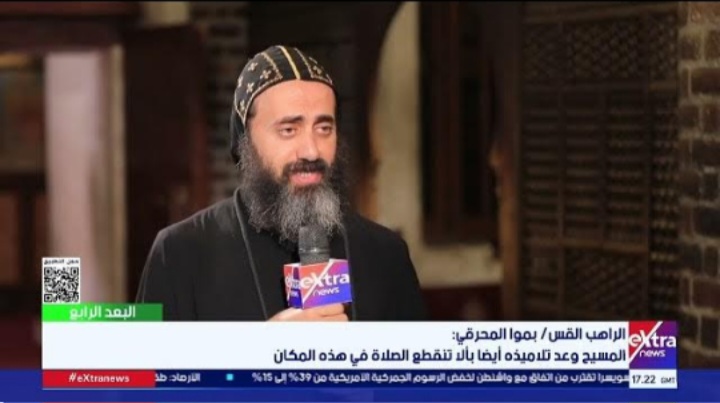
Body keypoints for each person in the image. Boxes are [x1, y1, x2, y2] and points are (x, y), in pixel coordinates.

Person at [136, 45, 426, 322]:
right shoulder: (178, 253)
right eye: (289, 129)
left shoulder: (385, 254)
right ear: (245, 142)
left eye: (324, 128)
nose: (311, 151)